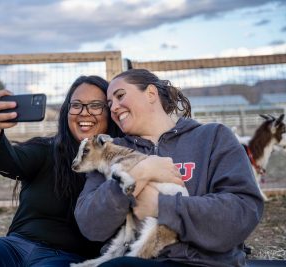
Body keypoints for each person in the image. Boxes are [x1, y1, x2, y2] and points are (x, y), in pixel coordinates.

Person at [0, 75, 181, 267]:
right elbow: (8, 160)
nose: (84, 112)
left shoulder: (124, 162)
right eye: (76, 105)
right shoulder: (46, 149)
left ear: (110, 114)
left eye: (96, 106)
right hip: (13, 247)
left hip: (66, 258)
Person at [74, 69, 264, 267]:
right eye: (109, 104)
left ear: (151, 94)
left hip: (204, 263)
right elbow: (89, 225)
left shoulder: (212, 137)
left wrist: (161, 206)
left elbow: (242, 211)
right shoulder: (111, 151)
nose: (114, 108)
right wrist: (139, 173)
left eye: (120, 96)